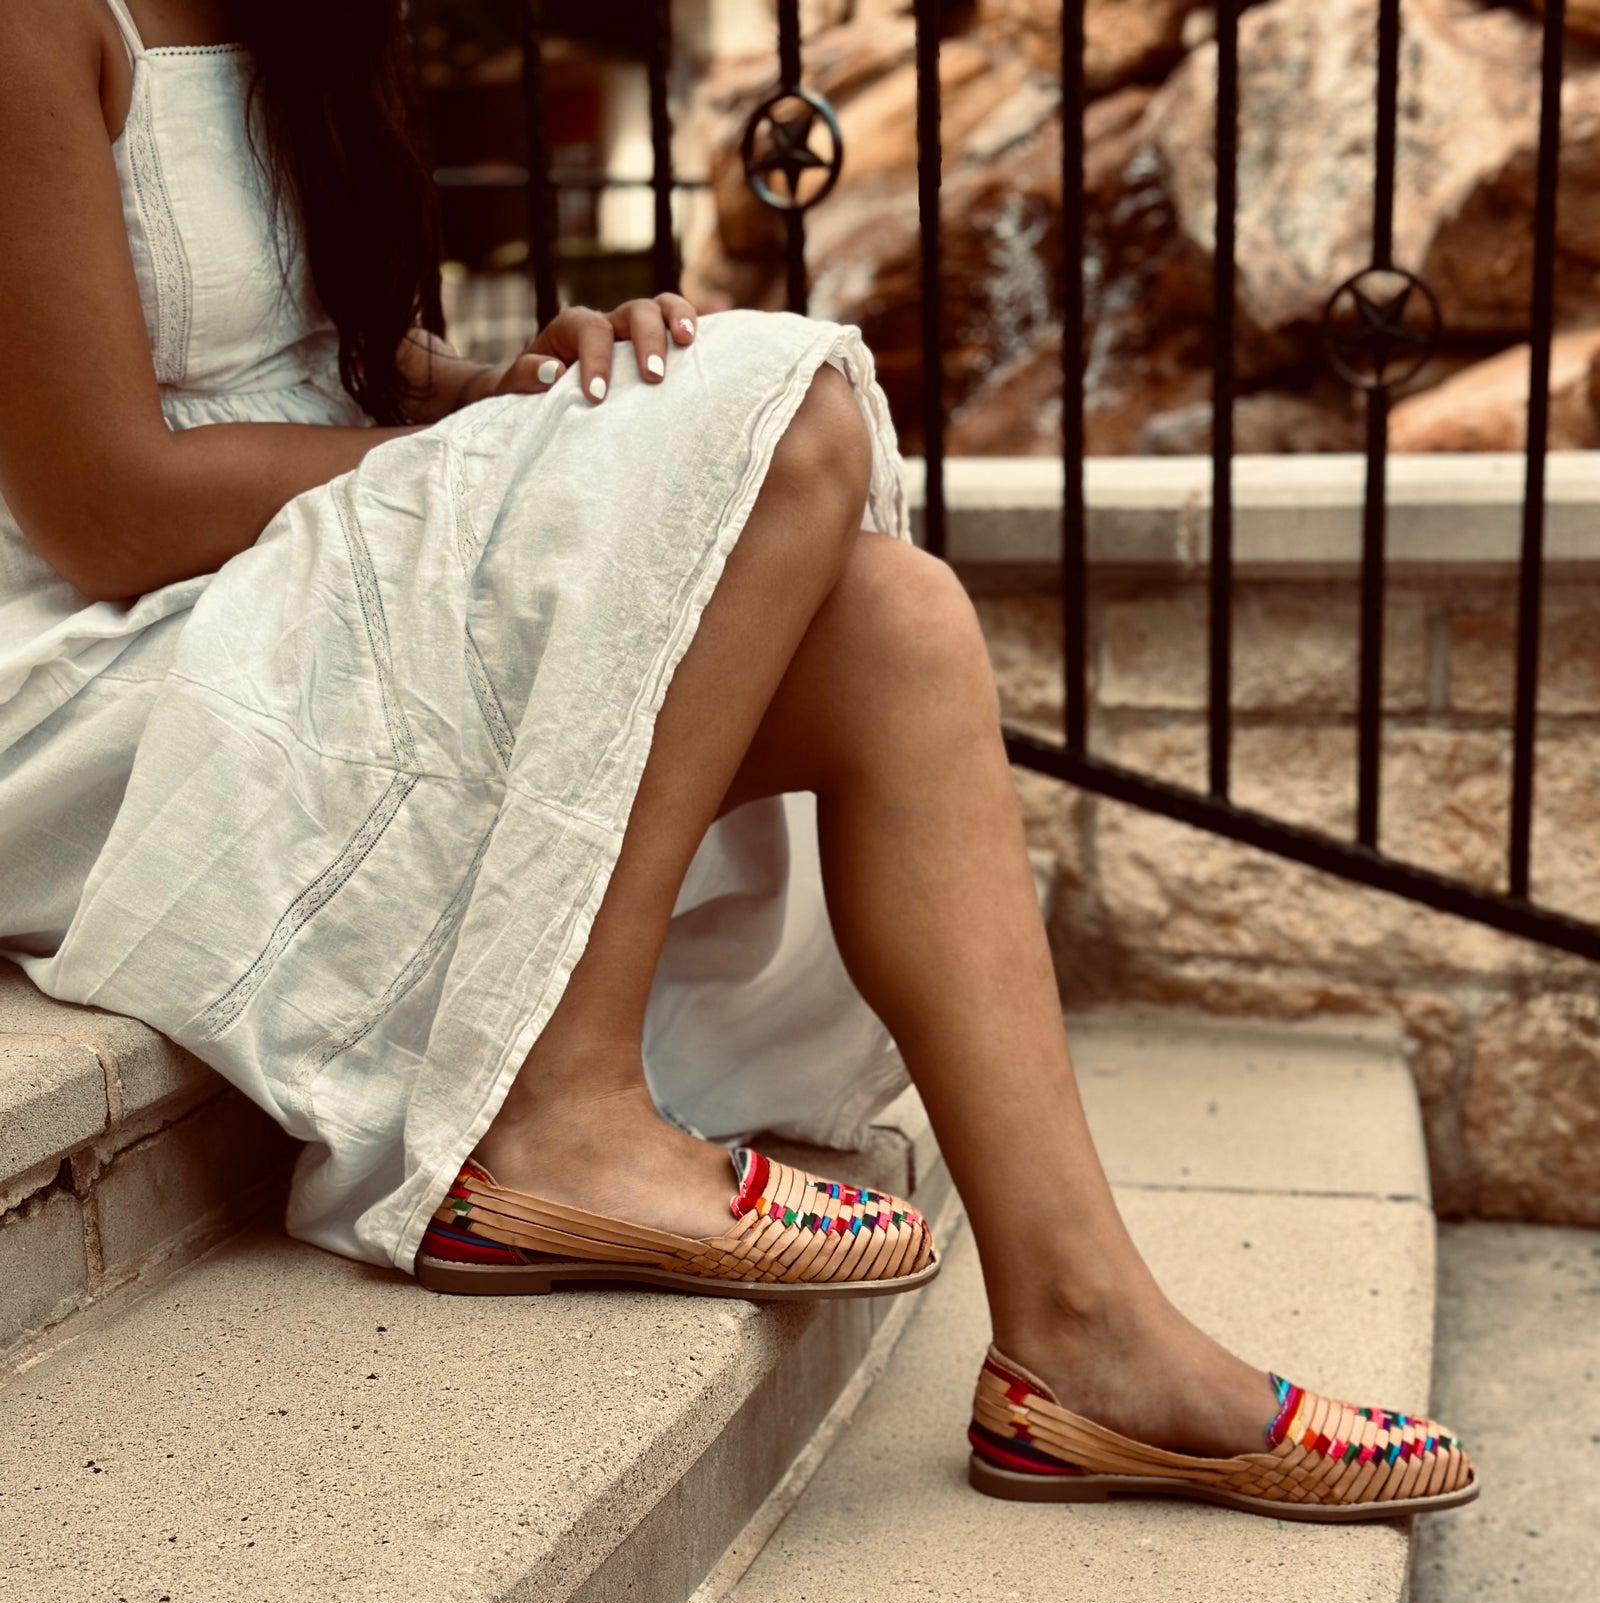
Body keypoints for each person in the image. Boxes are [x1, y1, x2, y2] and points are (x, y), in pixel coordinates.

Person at [0, 0, 1476, 1520]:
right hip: (102, 668)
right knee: (788, 422)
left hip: (282, 591)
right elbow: (108, 506)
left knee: (897, 621)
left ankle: (1082, 1330)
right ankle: (554, 1107)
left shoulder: (301, 23)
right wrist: (510, 465)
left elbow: (317, 366)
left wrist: (504, 390)